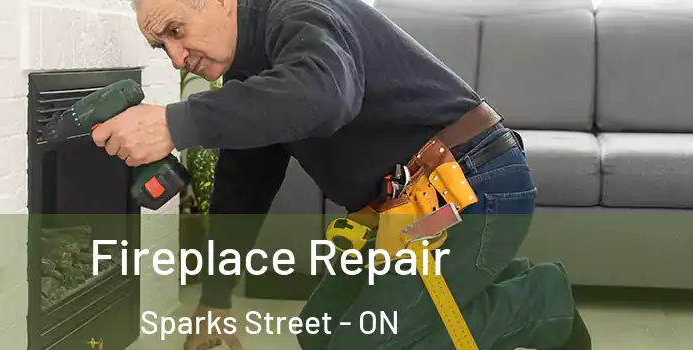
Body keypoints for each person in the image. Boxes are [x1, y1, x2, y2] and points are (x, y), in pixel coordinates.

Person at [90, 0, 593, 348]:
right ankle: (495, 276)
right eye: (162, 47)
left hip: (472, 185)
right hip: (412, 212)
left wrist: (177, 122)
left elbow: (325, 93)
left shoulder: (300, 13)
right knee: (320, 327)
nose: (177, 57)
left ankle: (541, 304)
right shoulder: (247, 76)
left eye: (176, 31)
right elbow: (245, 187)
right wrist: (215, 299)